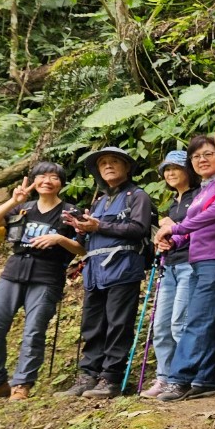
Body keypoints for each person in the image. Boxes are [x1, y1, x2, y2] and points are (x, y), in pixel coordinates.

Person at [0, 162, 82, 400]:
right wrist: (14, 200)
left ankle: (22, 385)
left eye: (54, 177)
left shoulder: (70, 212)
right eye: (42, 176)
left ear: (61, 183)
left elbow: (83, 249)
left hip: (46, 276)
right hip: (13, 274)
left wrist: (59, 239)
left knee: (33, 332)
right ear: (33, 181)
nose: (47, 181)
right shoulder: (22, 208)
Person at [154, 136, 215, 402]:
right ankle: (205, 379)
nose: (201, 160)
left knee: (196, 319)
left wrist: (178, 228)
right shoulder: (203, 190)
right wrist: (173, 239)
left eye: (208, 154)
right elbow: (194, 227)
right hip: (198, 260)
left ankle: (179, 379)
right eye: (196, 157)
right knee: (206, 320)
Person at [59, 147, 153, 400]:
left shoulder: (137, 196)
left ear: (127, 167)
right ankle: (88, 374)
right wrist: (80, 227)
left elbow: (139, 229)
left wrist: (100, 225)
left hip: (123, 268)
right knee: (92, 325)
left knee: (118, 324)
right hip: (94, 271)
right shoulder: (98, 201)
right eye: (103, 164)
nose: (108, 166)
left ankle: (111, 377)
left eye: (114, 162)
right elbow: (87, 238)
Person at [141, 150, 198, 399]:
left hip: (189, 264)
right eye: (166, 169)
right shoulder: (173, 203)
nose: (170, 173)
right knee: (161, 326)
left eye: (176, 167)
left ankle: (184, 378)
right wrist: (163, 240)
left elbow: (199, 229)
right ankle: (164, 377)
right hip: (170, 266)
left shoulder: (198, 197)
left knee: (180, 324)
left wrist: (171, 232)